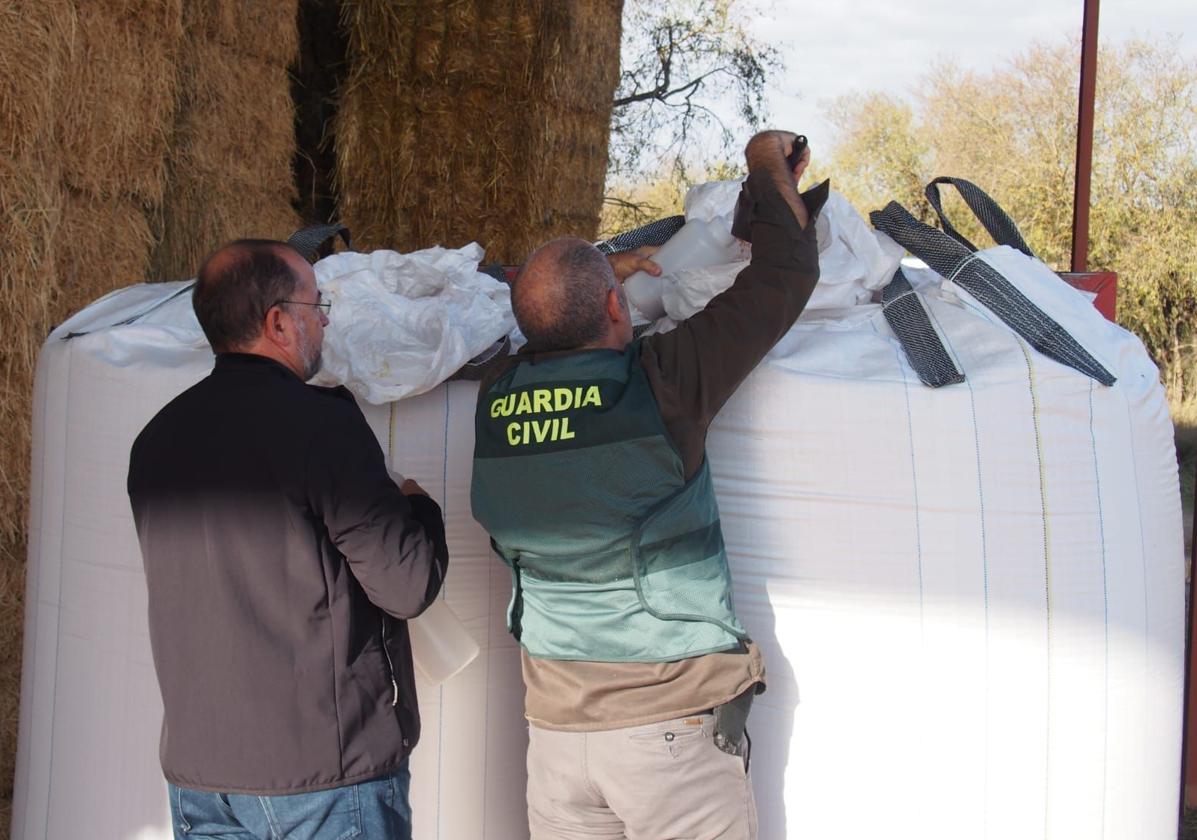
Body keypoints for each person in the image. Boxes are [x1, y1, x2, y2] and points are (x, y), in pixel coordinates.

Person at [470, 130, 825, 839]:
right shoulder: (659, 385)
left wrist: (597, 272)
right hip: (664, 732)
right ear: (613, 307)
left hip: (557, 738)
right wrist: (762, 163)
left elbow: (543, 310)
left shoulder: (496, 400)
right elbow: (786, 271)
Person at [127, 240, 449, 840]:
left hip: (201, 778)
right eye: (316, 303)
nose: (324, 318)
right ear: (278, 322)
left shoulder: (155, 441)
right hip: (324, 776)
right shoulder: (320, 427)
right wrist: (419, 507)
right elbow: (406, 585)